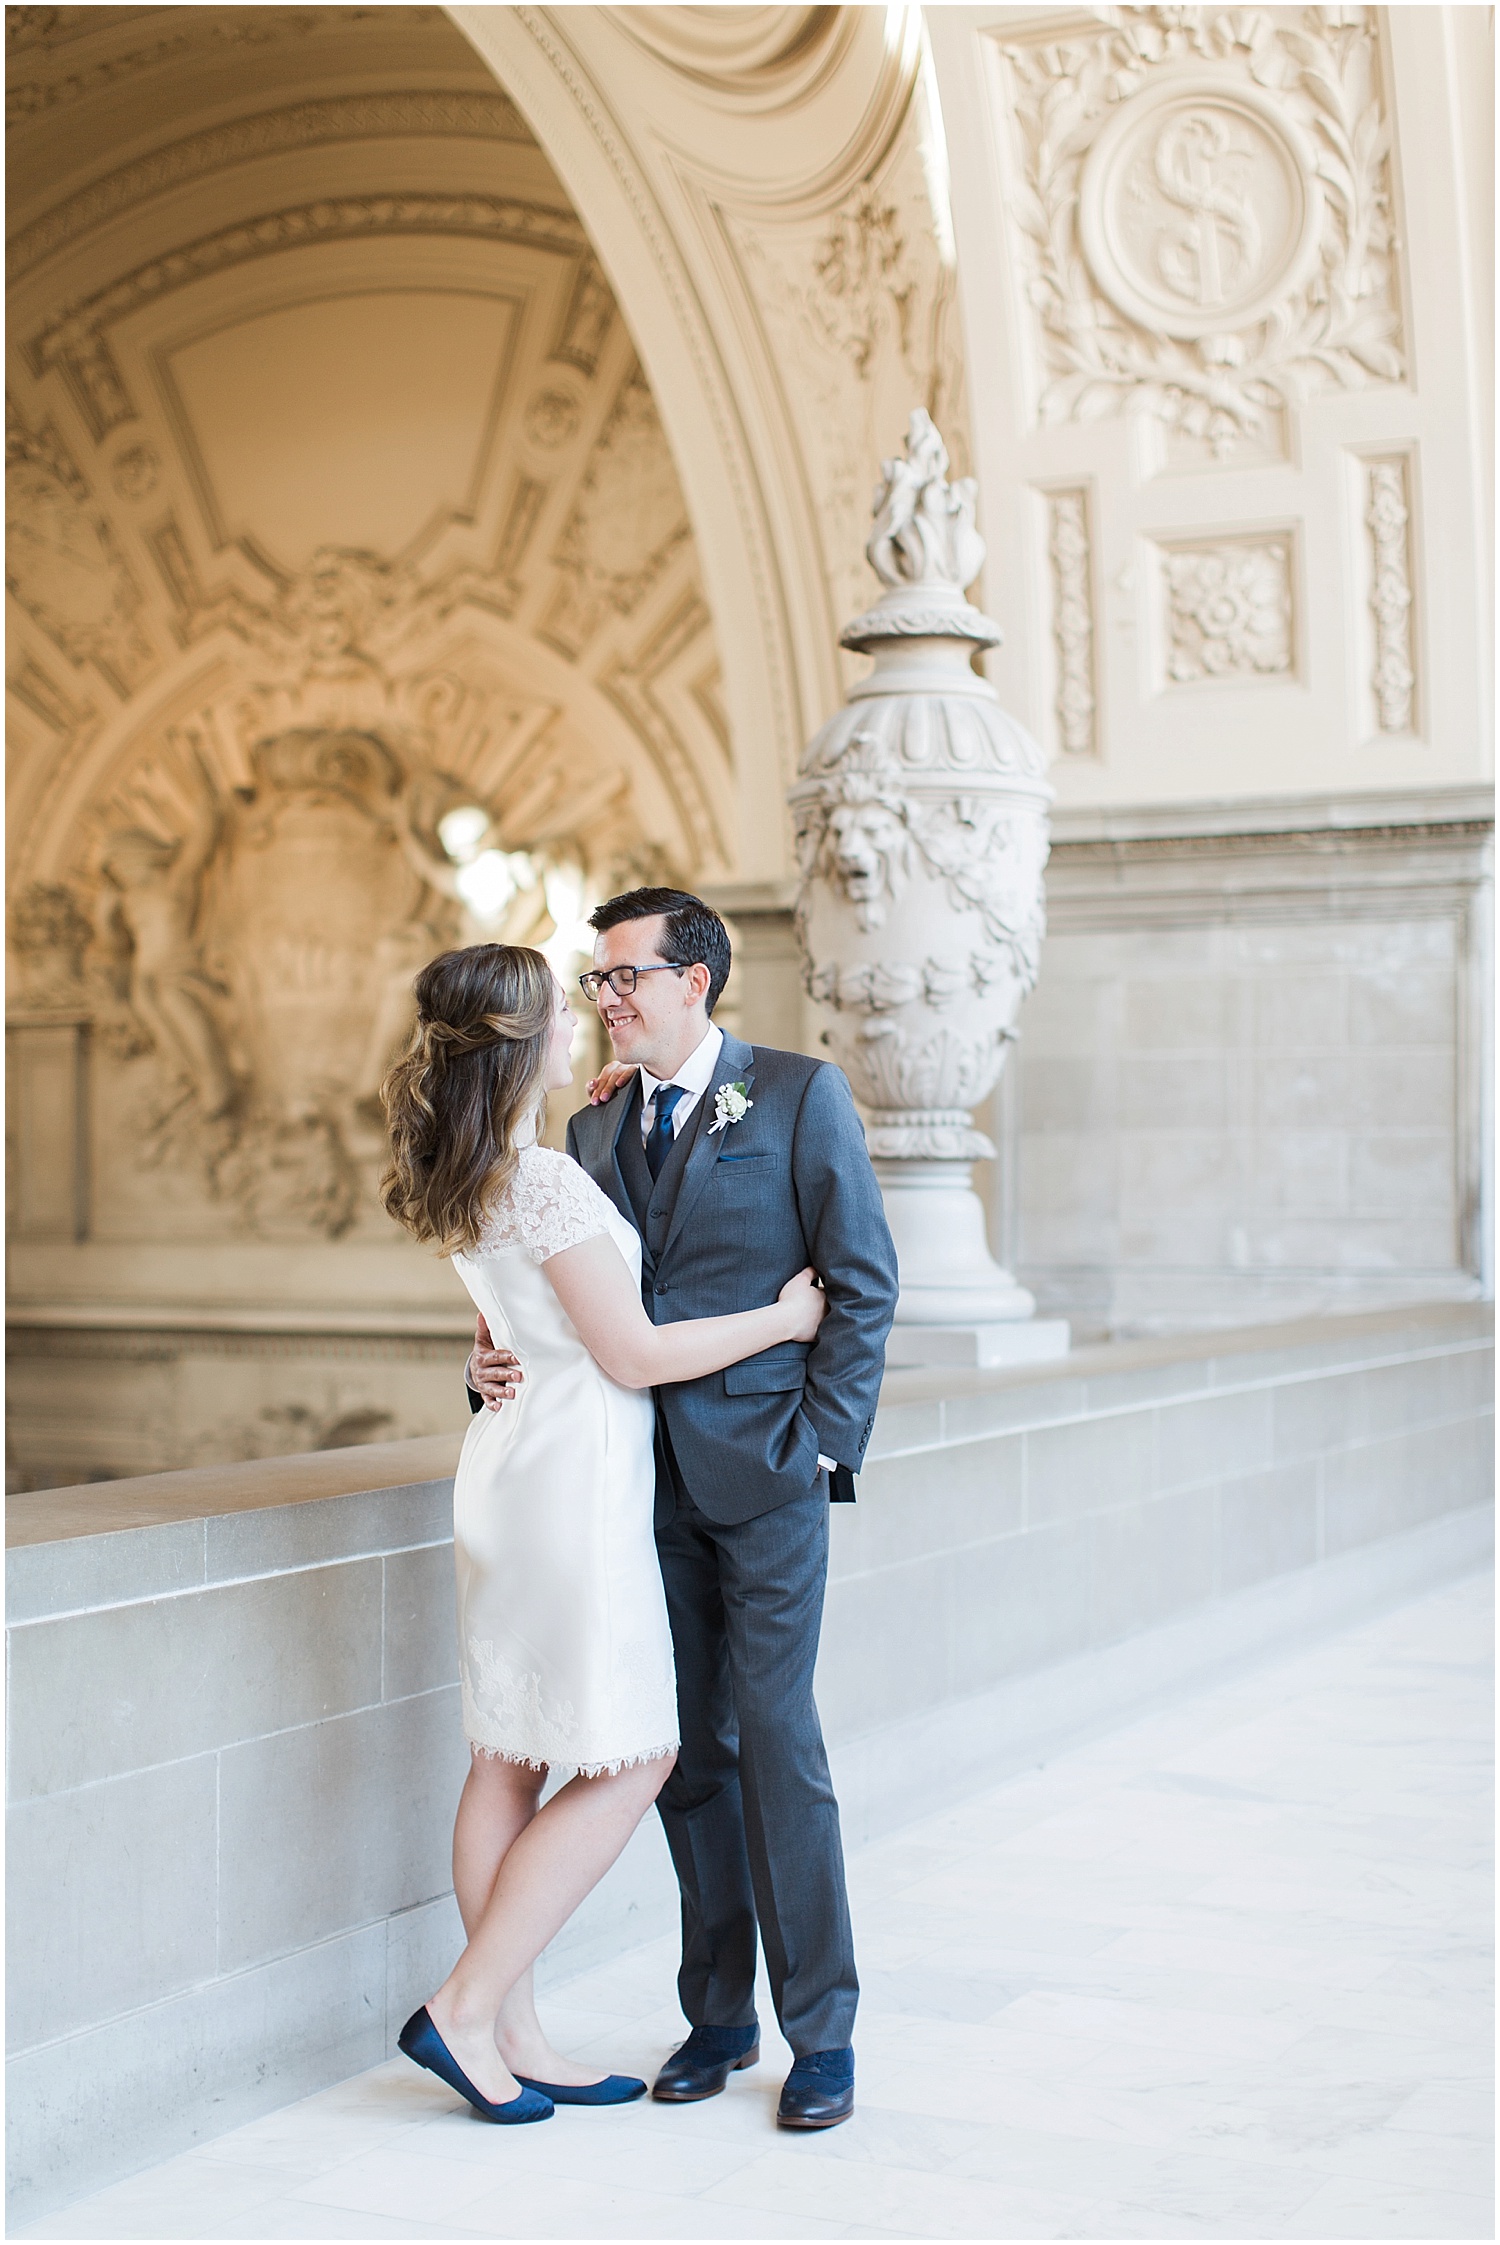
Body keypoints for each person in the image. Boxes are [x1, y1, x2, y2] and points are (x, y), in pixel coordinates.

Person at [467, 888, 898, 2130]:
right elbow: (553, 1301)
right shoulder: (593, 1133)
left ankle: (823, 2034)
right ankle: (717, 2017)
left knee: (777, 1743)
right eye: (596, 982)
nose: (604, 999)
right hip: (633, 1494)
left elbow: (861, 1281)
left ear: (693, 981)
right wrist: (481, 1362)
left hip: (767, 1482)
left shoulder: (800, 1093)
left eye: (623, 978)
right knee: (685, 1764)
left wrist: (825, 1445)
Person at [380, 942, 829, 2125]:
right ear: (530, 1040)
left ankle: (510, 2031)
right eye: (565, 1007)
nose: (590, 1019)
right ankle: (469, 2007)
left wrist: (478, 1361)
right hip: (571, 1490)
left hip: (509, 1473)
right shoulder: (550, 1181)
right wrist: (780, 1320)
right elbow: (630, 1353)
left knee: (509, 1754)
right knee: (638, 1754)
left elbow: (513, 1325)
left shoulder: (473, 1171)